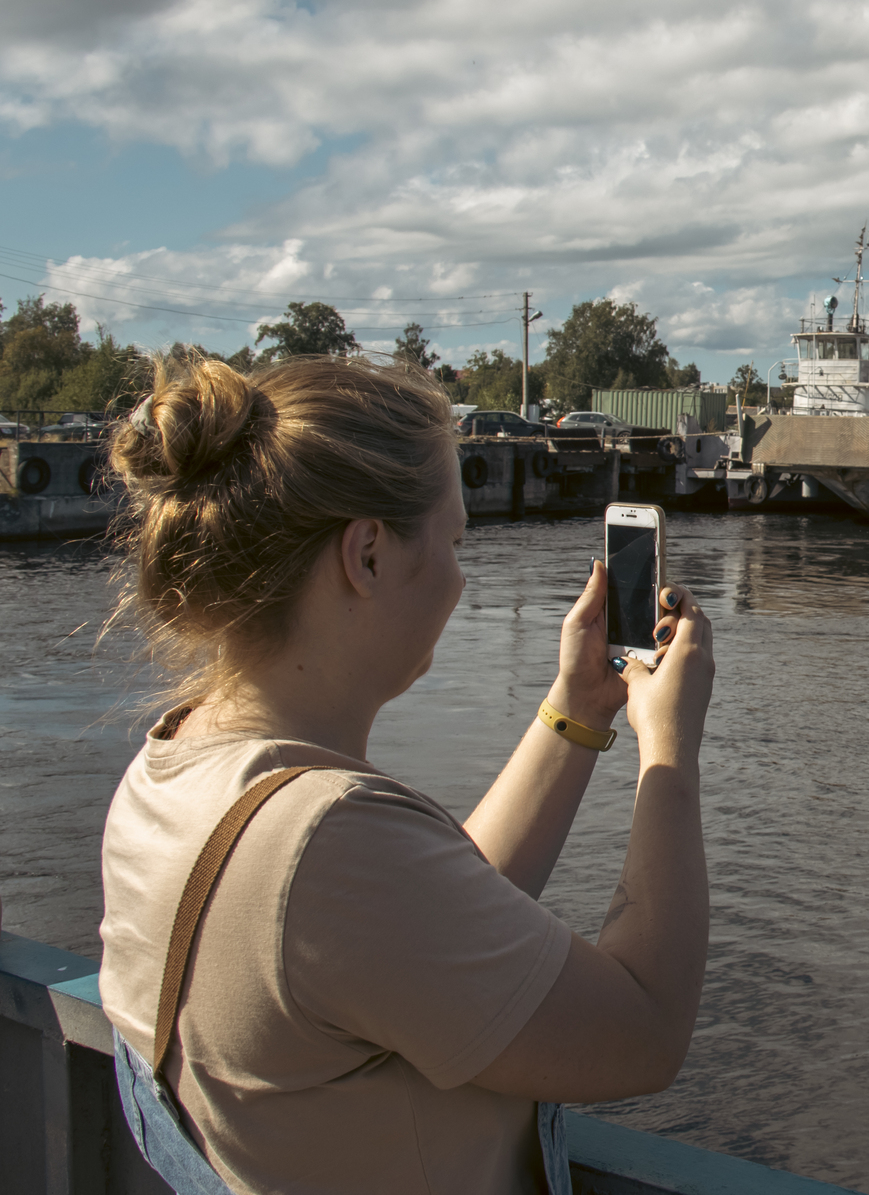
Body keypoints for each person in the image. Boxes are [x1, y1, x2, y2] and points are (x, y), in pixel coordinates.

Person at [96, 353, 714, 1194]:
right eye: (453, 539)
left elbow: (423, 928)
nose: (462, 577)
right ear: (369, 556)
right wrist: (669, 749)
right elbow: (644, 1029)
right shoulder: (328, 844)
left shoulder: (172, 770)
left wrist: (580, 706)